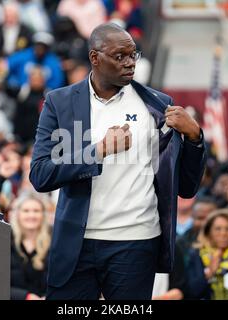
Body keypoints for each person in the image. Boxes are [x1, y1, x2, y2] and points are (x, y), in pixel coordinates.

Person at [30, 23, 207, 300]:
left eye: (132, 55)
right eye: (119, 56)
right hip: (77, 244)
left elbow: (186, 186)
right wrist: (98, 150)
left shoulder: (158, 105)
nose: (130, 64)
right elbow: (40, 175)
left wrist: (195, 138)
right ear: (95, 58)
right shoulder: (59, 102)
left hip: (136, 242)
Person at [10, 195, 51, 300]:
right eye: (26, 211)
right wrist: (26, 297)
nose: (31, 215)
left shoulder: (54, 241)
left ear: (43, 215)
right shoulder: (6, 240)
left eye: (36, 211)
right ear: (18, 214)